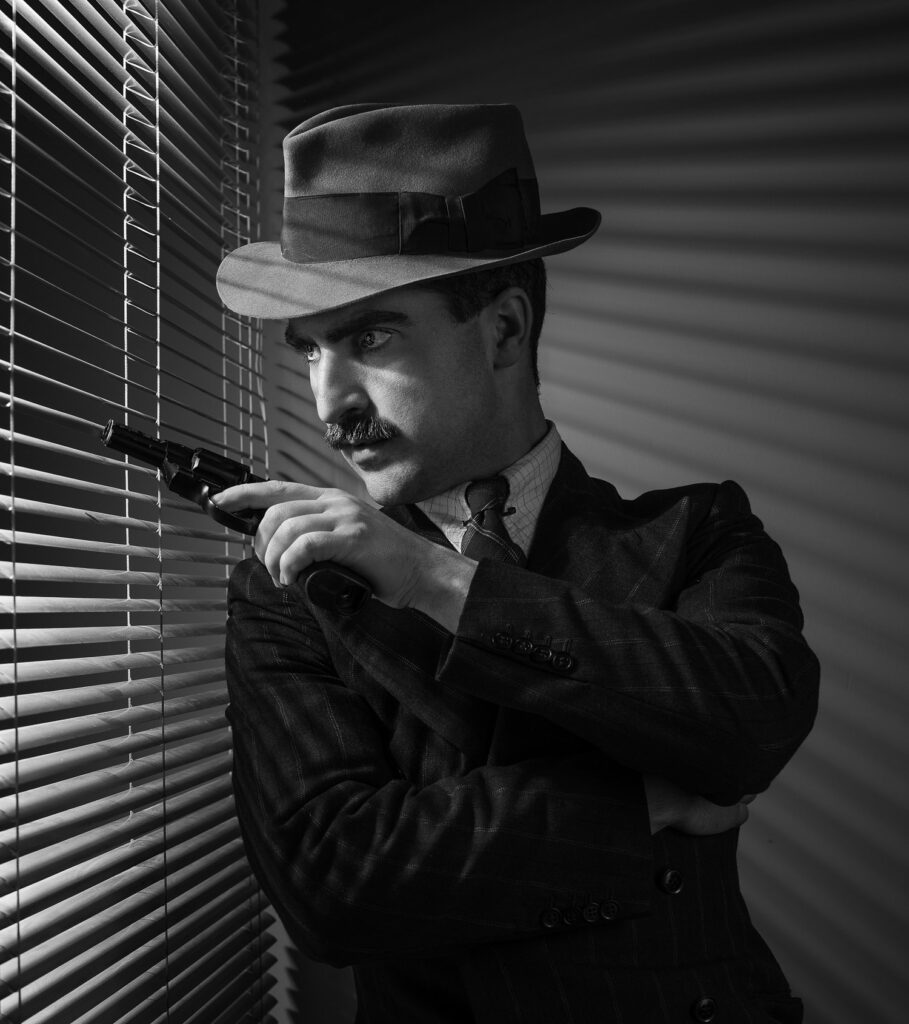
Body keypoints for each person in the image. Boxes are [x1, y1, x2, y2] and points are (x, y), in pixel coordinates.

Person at [214, 103, 819, 1023]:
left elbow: (752, 720)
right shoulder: (293, 584)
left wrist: (430, 579)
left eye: (371, 338)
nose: (330, 402)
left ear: (501, 331)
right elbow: (333, 888)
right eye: (310, 349)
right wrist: (634, 806)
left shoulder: (696, 529)